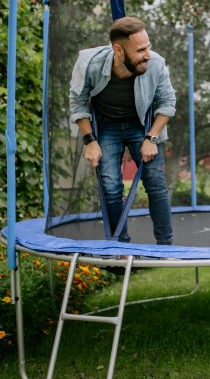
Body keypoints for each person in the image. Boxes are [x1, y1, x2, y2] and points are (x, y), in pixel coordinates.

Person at [69, 16, 176, 245]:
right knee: (110, 185)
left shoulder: (155, 63)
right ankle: (120, 247)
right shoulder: (89, 64)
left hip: (143, 126)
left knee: (156, 183)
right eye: (140, 50)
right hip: (108, 126)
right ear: (118, 50)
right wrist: (90, 141)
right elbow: (77, 103)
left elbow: (167, 103)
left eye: (148, 46)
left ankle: (166, 248)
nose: (147, 53)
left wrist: (151, 138)